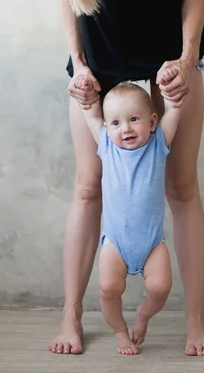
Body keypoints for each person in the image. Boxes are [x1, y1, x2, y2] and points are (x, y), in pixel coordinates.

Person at [49, 0, 204, 356]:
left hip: (170, 48)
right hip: (99, 49)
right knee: (88, 185)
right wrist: (79, 64)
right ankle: (70, 316)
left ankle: (196, 321)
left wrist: (188, 56)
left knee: (182, 186)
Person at [74, 68, 180, 355]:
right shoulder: (107, 145)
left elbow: (174, 109)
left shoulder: (158, 144)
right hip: (116, 242)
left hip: (151, 241)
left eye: (134, 120)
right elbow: (91, 113)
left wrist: (173, 93)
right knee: (108, 289)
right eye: (117, 123)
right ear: (108, 128)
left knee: (160, 287)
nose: (127, 129)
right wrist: (86, 91)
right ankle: (121, 333)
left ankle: (143, 317)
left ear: (152, 121)